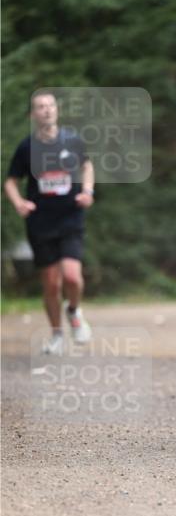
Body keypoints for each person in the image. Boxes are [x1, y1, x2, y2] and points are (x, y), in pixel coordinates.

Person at [5, 90, 95, 354]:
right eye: (40, 107)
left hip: (70, 216)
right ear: (33, 114)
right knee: (52, 284)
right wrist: (19, 202)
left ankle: (74, 310)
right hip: (41, 222)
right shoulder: (27, 147)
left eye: (49, 105)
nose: (46, 110)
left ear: (56, 110)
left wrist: (88, 192)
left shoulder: (72, 141)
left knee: (72, 278)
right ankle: (56, 334)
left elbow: (87, 166)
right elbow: (10, 181)